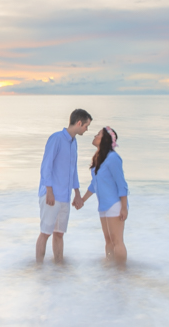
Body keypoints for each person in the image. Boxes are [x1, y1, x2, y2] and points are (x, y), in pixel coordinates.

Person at [36, 108, 92, 263]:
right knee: (45, 233)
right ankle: (38, 268)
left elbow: (72, 171)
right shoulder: (56, 138)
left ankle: (58, 268)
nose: (87, 130)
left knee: (59, 234)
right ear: (79, 123)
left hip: (65, 197)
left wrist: (77, 193)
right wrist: (49, 190)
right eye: (86, 126)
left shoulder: (74, 144)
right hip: (51, 195)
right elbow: (46, 166)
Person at [79, 126, 129, 265]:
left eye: (98, 134)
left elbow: (122, 184)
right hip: (103, 206)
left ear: (105, 139)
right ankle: (110, 269)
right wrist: (82, 200)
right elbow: (94, 184)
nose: (94, 136)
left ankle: (121, 273)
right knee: (108, 240)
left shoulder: (113, 158)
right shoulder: (98, 159)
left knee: (117, 241)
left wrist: (124, 207)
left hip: (115, 204)